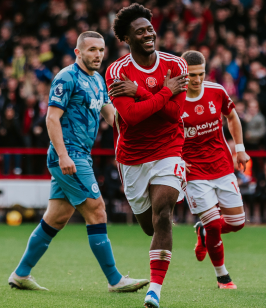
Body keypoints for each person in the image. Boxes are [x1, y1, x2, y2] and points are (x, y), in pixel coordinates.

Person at [8, 31, 148, 293]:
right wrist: (63, 155)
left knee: (57, 218)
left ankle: (20, 274)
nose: (98, 55)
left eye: (101, 50)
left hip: (81, 155)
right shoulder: (66, 77)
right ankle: (115, 279)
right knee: (97, 209)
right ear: (78, 52)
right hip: (70, 155)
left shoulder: (98, 80)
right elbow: (51, 118)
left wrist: (143, 122)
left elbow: (112, 116)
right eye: (92, 49)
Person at [106, 4, 188, 308]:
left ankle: (155, 290)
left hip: (169, 147)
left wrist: (141, 90)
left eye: (150, 29)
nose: (148, 34)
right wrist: (161, 92)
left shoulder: (176, 65)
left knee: (163, 214)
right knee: (149, 226)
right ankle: (160, 232)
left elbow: (173, 115)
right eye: (140, 31)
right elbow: (133, 117)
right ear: (127, 37)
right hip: (132, 157)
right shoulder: (116, 71)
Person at [180, 51, 250, 289]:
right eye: (191, 75)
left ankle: (202, 231)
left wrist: (239, 148)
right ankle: (223, 277)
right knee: (213, 225)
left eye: (200, 73)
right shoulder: (173, 100)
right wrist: (176, 159)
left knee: (238, 222)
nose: (197, 79)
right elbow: (164, 134)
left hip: (221, 165)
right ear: (183, 73)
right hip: (194, 172)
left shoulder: (216, 91)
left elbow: (232, 116)